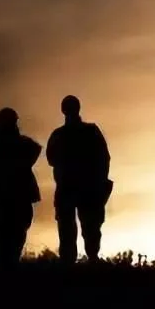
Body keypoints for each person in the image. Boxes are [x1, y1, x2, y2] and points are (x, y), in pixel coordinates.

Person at [46, 95, 112, 263]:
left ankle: (80, 261)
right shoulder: (89, 132)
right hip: (81, 188)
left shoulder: (60, 134)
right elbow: (104, 158)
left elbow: (51, 159)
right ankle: (88, 259)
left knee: (82, 227)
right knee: (85, 227)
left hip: (78, 188)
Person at [0, 107, 42, 267]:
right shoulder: (21, 144)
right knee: (10, 240)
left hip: (4, 200)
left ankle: (3, 276)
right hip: (11, 200)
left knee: (6, 241)